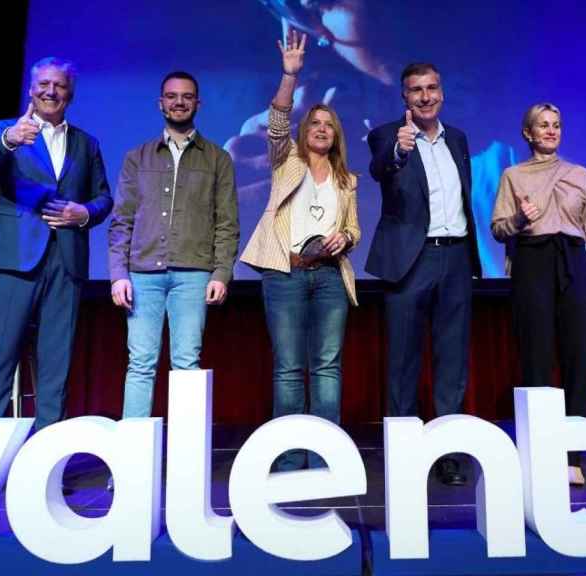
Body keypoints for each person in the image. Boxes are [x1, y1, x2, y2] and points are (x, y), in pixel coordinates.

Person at [239, 31, 361, 471]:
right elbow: (277, 119)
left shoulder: (348, 180)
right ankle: (289, 456)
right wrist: (290, 75)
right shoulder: (285, 160)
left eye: (329, 125)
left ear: (336, 135)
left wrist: (345, 239)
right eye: (315, 123)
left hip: (329, 276)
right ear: (305, 132)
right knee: (290, 368)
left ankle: (326, 454)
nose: (322, 129)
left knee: (327, 366)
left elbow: (353, 229)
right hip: (286, 273)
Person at [0, 56, 112, 430]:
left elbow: (103, 197)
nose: (51, 91)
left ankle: (48, 453)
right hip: (14, 256)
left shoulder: (86, 143)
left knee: (57, 360)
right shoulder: (6, 129)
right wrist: (9, 139)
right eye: (44, 85)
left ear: (70, 93)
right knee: (1, 355)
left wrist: (83, 212)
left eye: (60, 85)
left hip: (66, 259)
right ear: (31, 90)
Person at [366, 62, 481, 486]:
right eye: (416, 90)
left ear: (442, 93)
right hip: (411, 260)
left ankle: (446, 451)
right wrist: (400, 151)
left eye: (432, 88)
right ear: (404, 97)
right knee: (403, 360)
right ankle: (406, 451)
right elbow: (382, 168)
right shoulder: (387, 135)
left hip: (455, 258)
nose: (425, 96)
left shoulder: (460, 139)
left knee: (451, 361)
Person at [108, 71, 239, 428]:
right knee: (141, 364)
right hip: (143, 275)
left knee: (186, 365)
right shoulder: (138, 157)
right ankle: (132, 458)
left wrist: (221, 273)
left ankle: (186, 462)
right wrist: (118, 274)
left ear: (198, 103)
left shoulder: (217, 159)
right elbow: (122, 220)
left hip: (193, 275)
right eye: (171, 96)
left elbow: (227, 223)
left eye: (186, 96)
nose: (179, 102)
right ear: (160, 103)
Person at [491, 103, 586, 485]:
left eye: (556, 125)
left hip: (572, 262)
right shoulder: (513, 175)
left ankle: (572, 457)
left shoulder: (580, 174)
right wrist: (522, 219)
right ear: (528, 133)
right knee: (536, 358)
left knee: (576, 358)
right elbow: (498, 229)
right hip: (532, 262)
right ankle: (540, 453)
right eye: (542, 125)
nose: (551, 131)